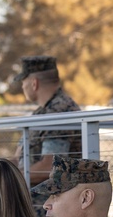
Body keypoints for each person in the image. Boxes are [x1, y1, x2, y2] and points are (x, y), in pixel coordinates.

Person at [12, 56, 82, 185]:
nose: (22, 86)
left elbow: (49, 166)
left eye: (23, 81)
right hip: (33, 194)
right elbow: (17, 158)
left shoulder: (60, 111)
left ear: (34, 83)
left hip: (50, 200)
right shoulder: (41, 113)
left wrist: (9, 180)